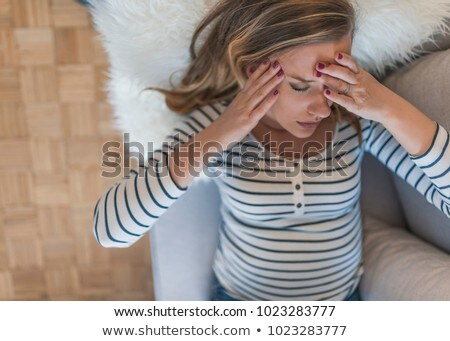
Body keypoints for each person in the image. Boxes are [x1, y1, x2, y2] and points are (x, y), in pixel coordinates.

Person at [92, 0, 450, 301]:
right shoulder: (218, 126)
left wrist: (390, 107)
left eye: (335, 79)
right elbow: (111, 231)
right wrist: (221, 134)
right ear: (254, 72)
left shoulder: (353, 122)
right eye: (300, 85)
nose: (322, 108)